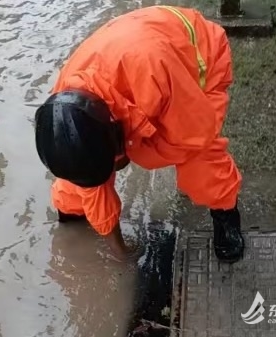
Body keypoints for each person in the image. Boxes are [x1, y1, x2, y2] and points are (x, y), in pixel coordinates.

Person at [34, 5, 244, 263]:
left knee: (199, 158)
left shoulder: (153, 71)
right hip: (136, 51)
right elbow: (90, 178)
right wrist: (120, 252)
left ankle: (226, 216)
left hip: (199, 60)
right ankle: (73, 216)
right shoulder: (64, 104)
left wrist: (131, 151)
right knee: (78, 179)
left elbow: (195, 133)